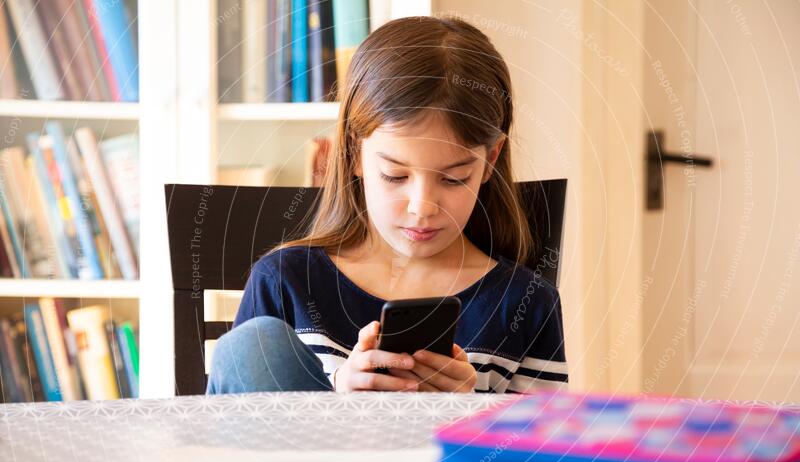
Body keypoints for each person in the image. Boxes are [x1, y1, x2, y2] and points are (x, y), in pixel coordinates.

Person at [207, 16, 568, 395]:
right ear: (353, 154)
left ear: (490, 160)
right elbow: (232, 441)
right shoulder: (284, 282)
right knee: (252, 347)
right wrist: (337, 398)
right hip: (305, 451)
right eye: (395, 176)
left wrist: (469, 409)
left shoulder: (527, 303)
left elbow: (540, 451)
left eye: (454, 178)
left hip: (447, 455)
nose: (423, 207)